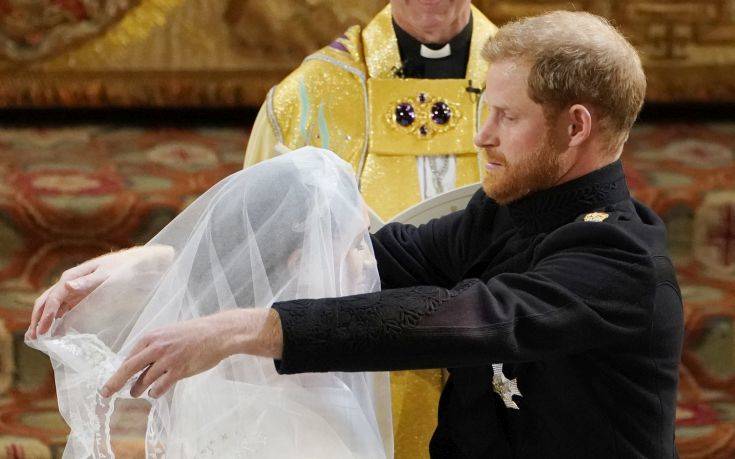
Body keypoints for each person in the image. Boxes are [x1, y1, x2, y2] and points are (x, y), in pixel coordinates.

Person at [28, 10, 684, 457]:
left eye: (505, 117)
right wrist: (159, 263)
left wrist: (244, 329)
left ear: (574, 128)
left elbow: (465, 317)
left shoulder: (620, 261)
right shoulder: (505, 212)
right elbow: (365, 259)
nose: (479, 135)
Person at [243, 1, 498, 452]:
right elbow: (259, 253)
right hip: (357, 361)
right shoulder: (306, 98)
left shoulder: (531, 81)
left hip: (497, 354)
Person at [26, 148, 394, 458]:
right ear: (301, 263)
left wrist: (161, 263)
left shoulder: (210, 365)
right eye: (356, 244)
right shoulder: (312, 417)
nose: (369, 260)